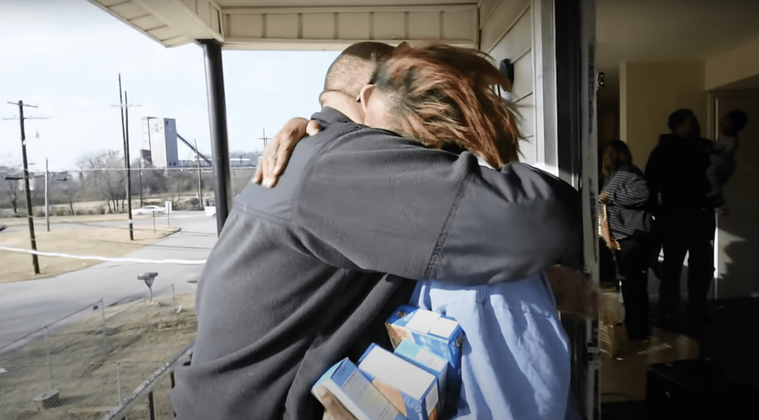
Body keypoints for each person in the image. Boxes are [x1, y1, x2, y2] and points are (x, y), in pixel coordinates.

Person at [171, 42, 592, 420]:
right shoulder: (340, 163)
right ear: (368, 96)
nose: (425, 158)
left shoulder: (317, 154)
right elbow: (535, 218)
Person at [645, 109, 716, 329]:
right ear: (677, 126)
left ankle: (694, 309)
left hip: (696, 215)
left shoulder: (703, 147)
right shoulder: (664, 151)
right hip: (677, 217)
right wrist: (661, 212)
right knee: (674, 268)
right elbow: (650, 184)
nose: (696, 123)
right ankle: (669, 312)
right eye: (691, 121)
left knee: (701, 267)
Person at [599, 140, 653, 340]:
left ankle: (639, 330)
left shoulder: (628, 172)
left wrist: (609, 196)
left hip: (632, 238)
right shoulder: (615, 175)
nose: (604, 157)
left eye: (607, 153)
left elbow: (643, 194)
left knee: (634, 286)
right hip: (622, 238)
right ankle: (634, 327)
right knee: (630, 286)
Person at [706, 109, 748, 207]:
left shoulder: (732, 140)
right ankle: (718, 194)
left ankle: (717, 192)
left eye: (725, 122)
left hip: (724, 163)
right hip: (719, 161)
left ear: (733, 126)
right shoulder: (724, 136)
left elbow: (725, 152)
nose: (721, 124)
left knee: (710, 173)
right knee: (712, 174)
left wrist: (712, 150)